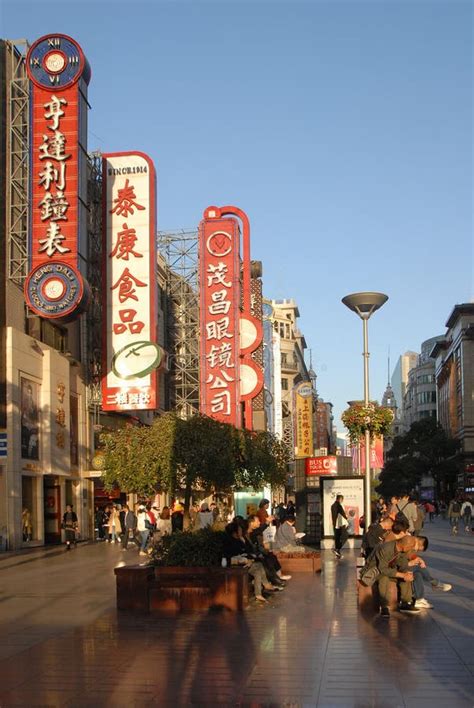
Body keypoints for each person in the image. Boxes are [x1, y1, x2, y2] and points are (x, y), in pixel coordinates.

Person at [365, 535, 422, 617]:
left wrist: (406, 573)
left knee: (406, 575)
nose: (411, 550)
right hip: (375, 571)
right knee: (384, 578)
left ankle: (405, 602)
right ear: (405, 546)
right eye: (411, 547)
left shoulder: (402, 550)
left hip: (390, 569)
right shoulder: (385, 548)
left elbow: (402, 563)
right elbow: (383, 569)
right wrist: (402, 574)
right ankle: (384, 606)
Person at [223, 521, 280, 603]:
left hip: (245, 562)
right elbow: (233, 556)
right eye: (239, 530)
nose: (241, 531)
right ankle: (260, 591)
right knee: (257, 569)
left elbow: (245, 552)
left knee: (259, 565)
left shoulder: (239, 540)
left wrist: (250, 558)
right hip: (237, 564)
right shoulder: (230, 542)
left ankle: (263, 588)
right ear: (234, 532)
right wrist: (246, 560)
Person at [331, 494, 348, 559]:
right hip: (340, 525)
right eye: (342, 499)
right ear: (340, 499)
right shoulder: (338, 505)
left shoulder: (333, 506)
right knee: (345, 536)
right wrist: (346, 518)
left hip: (335, 524)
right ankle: (337, 549)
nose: (342, 501)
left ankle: (338, 553)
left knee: (337, 538)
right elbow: (343, 513)